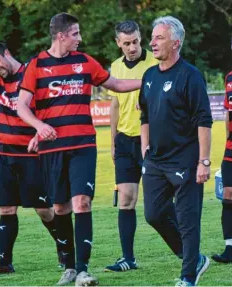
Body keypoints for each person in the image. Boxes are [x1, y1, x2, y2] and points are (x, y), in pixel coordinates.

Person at [17, 13, 141, 286]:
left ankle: (84, 270)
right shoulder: (37, 65)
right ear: (61, 36)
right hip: (52, 150)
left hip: (83, 146)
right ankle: (70, 266)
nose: (80, 38)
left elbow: (117, 85)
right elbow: (21, 106)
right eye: (75, 34)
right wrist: (39, 127)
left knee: (81, 202)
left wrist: (149, 81)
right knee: (60, 207)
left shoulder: (85, 62)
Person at [139, 16, 212, 286]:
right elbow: (144, 116)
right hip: (155, 161)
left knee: (187, 219)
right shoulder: (148, 76)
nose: (152, 43)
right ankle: (192, 257)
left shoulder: (191, 76)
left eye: (159, 38)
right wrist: (144, 148)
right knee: (154, 214)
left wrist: (204, 161)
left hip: (186, 159)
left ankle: (188, 277)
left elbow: (204, 121)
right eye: (153, 37)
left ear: (176, 42)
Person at [0, 42, 65, 273]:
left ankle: (64, 247)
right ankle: (3, 261)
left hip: (31, 154)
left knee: (44, 209)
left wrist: (40, 132)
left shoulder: (31, 74)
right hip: (3, 155)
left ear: (6, 53)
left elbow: (49, 108)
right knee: (6, 209)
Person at [104, 20, 158, 272]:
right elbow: (114, 106)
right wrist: (113, 140)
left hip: (154, 140)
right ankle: (128, 258)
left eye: (135, 41)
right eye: (126, 43)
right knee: (126, 199)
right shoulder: (114, 67)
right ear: (118, 43)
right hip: (125, 140)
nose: (132, 47)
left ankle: (185, 251)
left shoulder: (156, 63)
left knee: (159, 204)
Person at [211, 71, 232, 264]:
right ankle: (229, 248)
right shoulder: (229, 78)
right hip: (231, 149)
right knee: (228, 195)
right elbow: (227, 112)